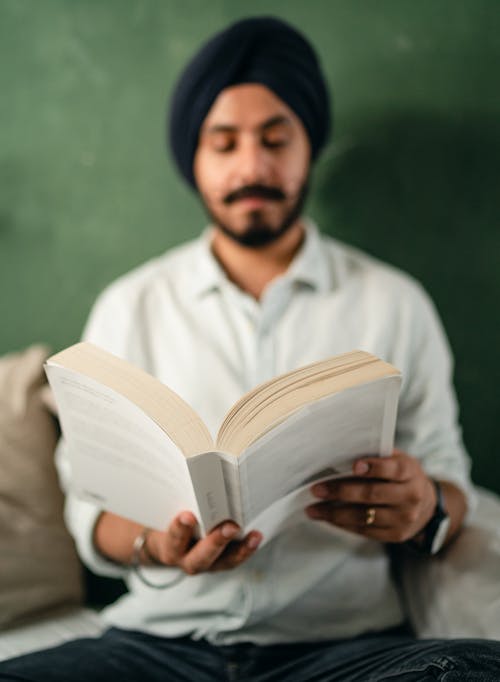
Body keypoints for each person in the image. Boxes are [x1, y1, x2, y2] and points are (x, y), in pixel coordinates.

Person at [1, 15, 499, 682]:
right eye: (224, 142)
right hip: (158, 645)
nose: (252, 166)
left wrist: (426, 506)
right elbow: (89, 509)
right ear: (195, 159)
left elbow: (448, 476)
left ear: (307, 147)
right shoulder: (133, 304)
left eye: (275, 138)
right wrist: (161, 548)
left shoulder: (393, 301)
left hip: (343, 648)